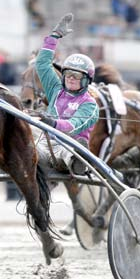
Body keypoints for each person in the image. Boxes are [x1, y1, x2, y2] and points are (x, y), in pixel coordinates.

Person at [34, 13, 99, 175]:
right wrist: (54, 37)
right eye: (68, 73)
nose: (70, 78)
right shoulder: (56, 90)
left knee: (68, 149)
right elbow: (42, 64)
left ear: (86, 80)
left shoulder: (89, 104)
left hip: (68, 144)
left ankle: (78, 159)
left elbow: (73, 125)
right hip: (44, 143)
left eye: (77, 75)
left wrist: (53, 123)